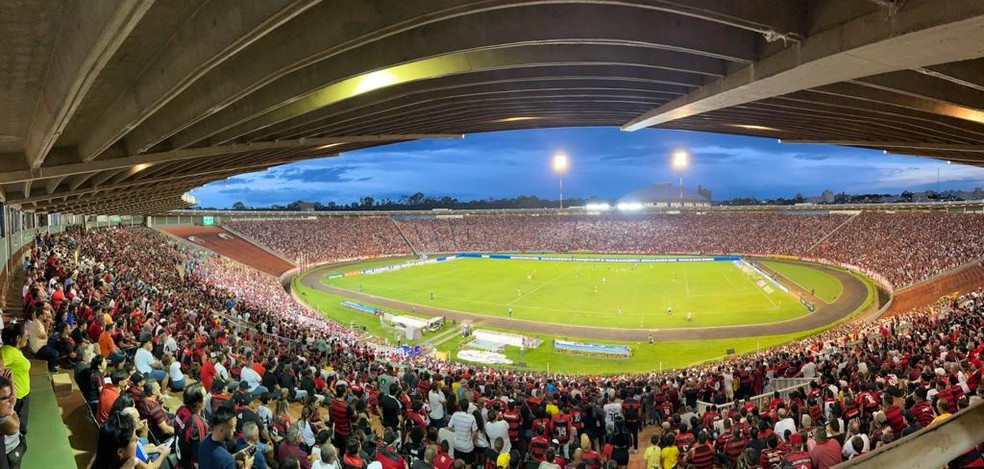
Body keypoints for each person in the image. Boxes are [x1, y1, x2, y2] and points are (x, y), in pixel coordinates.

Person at [0, 324, 30, 436]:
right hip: (17, 397)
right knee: (19, 428)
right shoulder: (8, 351)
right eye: (25, 334)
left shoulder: (14, 350)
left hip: (22, 394)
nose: (27, 336)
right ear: (18, 338)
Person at [0, 375, 24, 469]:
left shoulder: (4, 409)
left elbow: (12, 400)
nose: (11, 400)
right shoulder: (3, 419)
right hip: (9, 455)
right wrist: (12, 412)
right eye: (5, 398)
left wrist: (11, 382)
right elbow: (15, 426)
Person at [448, 401, 477, 468]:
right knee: (468, 465)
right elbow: (474, 432)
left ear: (460, 407)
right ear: (468, 407)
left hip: (457, 445)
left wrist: (457, 430)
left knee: (457, 465)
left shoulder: (455, 415)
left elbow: (449, 426)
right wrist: (471, 441)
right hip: (468, 447)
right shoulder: (471, 417)